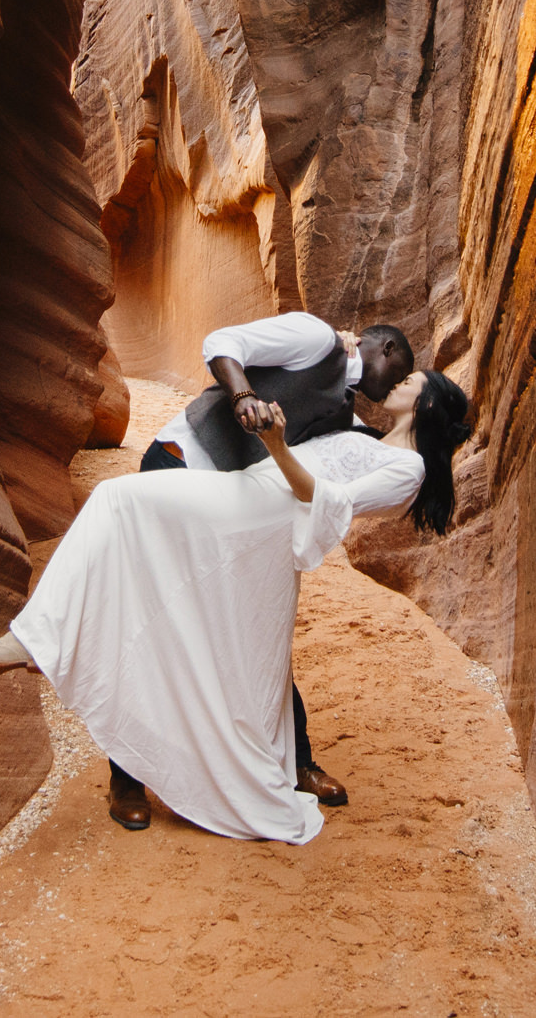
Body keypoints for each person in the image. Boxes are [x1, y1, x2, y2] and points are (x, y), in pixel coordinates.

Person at [0, 370, 470, 844]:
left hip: (260, 514)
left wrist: (274, 444)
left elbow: (324, 503)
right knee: (219, 637)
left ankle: (37, 640)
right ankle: (43, 643)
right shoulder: (365, 436)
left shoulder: (409, 469)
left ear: (425, 402)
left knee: (115, 500)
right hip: (248, 496)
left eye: (410, 380)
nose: (398, 381)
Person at [116, 311, 415, 825]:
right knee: (162, 624)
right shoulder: (316, 337)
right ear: (383, 348)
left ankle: (296, 761)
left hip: (228, 510)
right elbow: (220, 340)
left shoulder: (348, 415)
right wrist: (243, 396)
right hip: (181, 464)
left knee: (257, 634)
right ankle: (126, 778)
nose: (397, 385)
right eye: (403, 370)